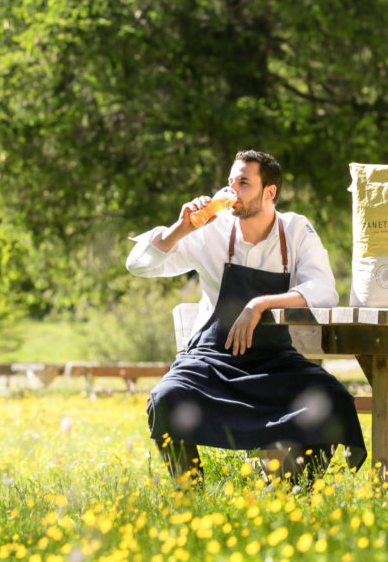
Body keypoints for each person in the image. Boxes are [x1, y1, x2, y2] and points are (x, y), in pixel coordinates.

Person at [126, 150, 367, 486]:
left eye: (243, 182)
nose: (232, 190)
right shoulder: (209, 229)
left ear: (269, 192)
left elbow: (324, 289)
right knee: (166, 398)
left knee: (334, 401)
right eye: (230, 182)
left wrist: (260, 304)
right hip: (211, 360)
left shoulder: (295, 230)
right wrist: (180, 229)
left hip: (273, 363)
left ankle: (290, 491)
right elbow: (138, 264)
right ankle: (191, 492)